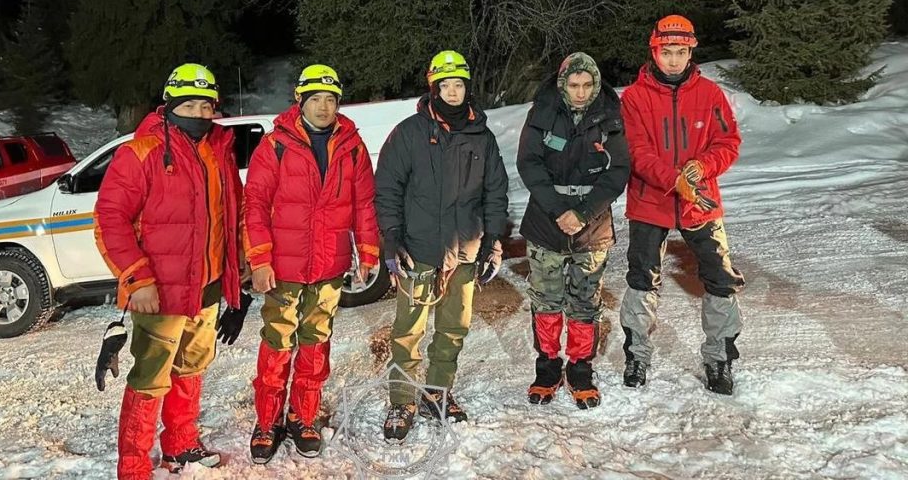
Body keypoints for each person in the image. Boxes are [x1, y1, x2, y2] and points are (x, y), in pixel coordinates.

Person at [93, 63, 247, 479]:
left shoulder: (219, 150)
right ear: (170, 104)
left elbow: (234, 212)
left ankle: (180, 446)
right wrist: (136, 278)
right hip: (159, 291)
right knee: (150, 376)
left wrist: (240, 269)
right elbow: (110, 219)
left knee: (192, 365)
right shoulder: (141, 152)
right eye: (189, 105)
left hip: (207, 286)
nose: (199, 114)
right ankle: (134, 467)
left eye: (206, 106)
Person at [242, 64, 379, 463]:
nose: (323, 107)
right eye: (315, 99)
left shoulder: (352, 147)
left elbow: (364, 205)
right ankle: (267, 421)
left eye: (330, 99)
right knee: (278, 341)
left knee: (316, 341)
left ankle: (303, 416)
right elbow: (255, 205)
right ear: (299, 101)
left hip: (329, 264)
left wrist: (368, 251)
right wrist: (260, 259)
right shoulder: (275, 145)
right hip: (283, 267)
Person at [375, 50, 509, 442]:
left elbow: (495, 193)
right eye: (445, 85)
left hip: (464, 251)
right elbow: (387, 188)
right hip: (417, 250)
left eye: (458, 85)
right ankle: (402, 400)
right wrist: (392, 236)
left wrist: (493, 241)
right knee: (407, 331)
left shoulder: (482, 137)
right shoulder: (409, 133)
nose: (452, 92)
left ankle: (437, 392)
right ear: (433, 89)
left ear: (468, 88)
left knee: (453, 328)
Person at [619, 15, 745, 395]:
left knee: (720, 277)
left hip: (700, 202)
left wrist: (701, 167)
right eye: (666, 52)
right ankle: (637, 355)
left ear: (691, 52)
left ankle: (719, 358)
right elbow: (636, 152)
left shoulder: (710, 94)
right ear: (654, 51)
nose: (673, 60)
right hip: (650, 200)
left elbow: (728, 142)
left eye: (680, 52)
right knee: (642, 278)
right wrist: (673, 180)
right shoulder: (634, 98)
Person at [516, 52, 630, 409]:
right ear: (562, 84)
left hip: (591, 224)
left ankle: (581, 369)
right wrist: (558, 210)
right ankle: (548, 368)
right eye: (574, 85)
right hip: (546, 220)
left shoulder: (609, 115)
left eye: (587, 85)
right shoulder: (542, 113)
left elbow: (618, 170)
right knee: (545, 299)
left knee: (585, 301)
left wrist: (582, 213)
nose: (581, 92)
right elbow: (528, 163)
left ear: (596, 85)